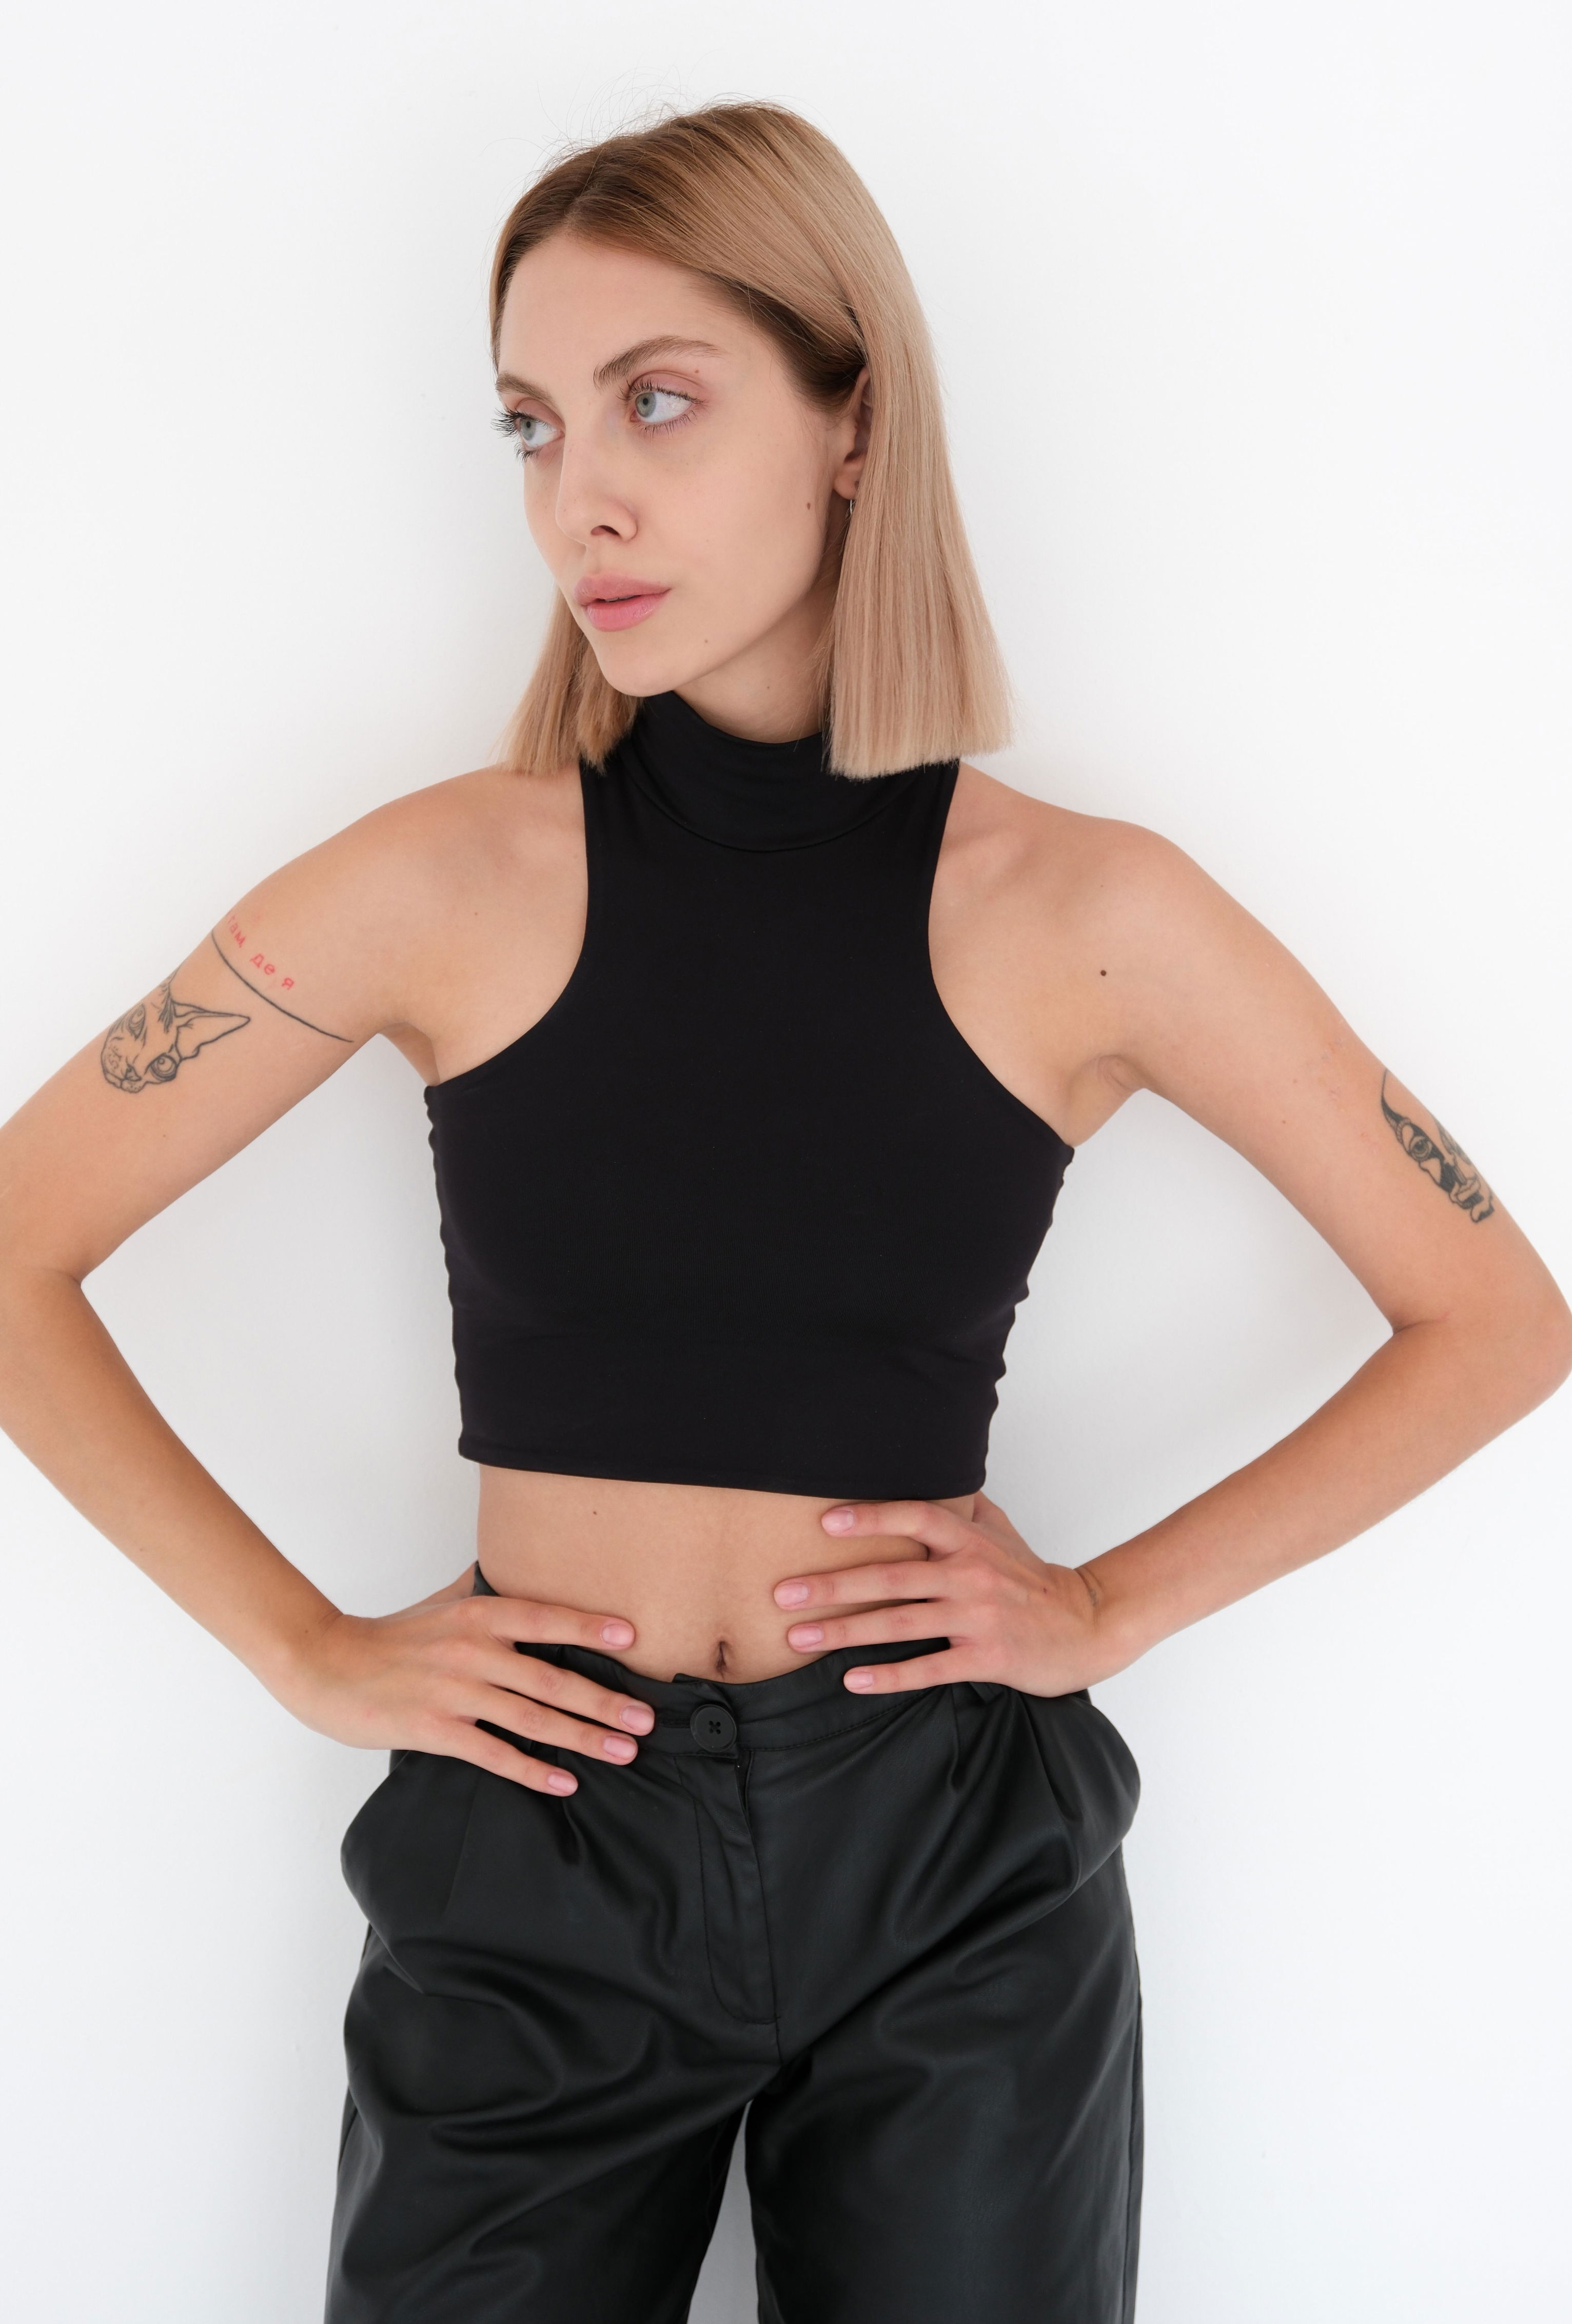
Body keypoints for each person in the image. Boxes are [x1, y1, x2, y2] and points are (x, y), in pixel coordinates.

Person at [0, 97, 1565, 2324]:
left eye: (658, 401)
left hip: (950, 1864)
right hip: (538, 1838)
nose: (582, 496)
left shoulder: (1090, 913)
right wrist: (301, 1645)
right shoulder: (441, 879)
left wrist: (1106, 1607)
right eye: (533, 424)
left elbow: (1496, 1315)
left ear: (854, 423)